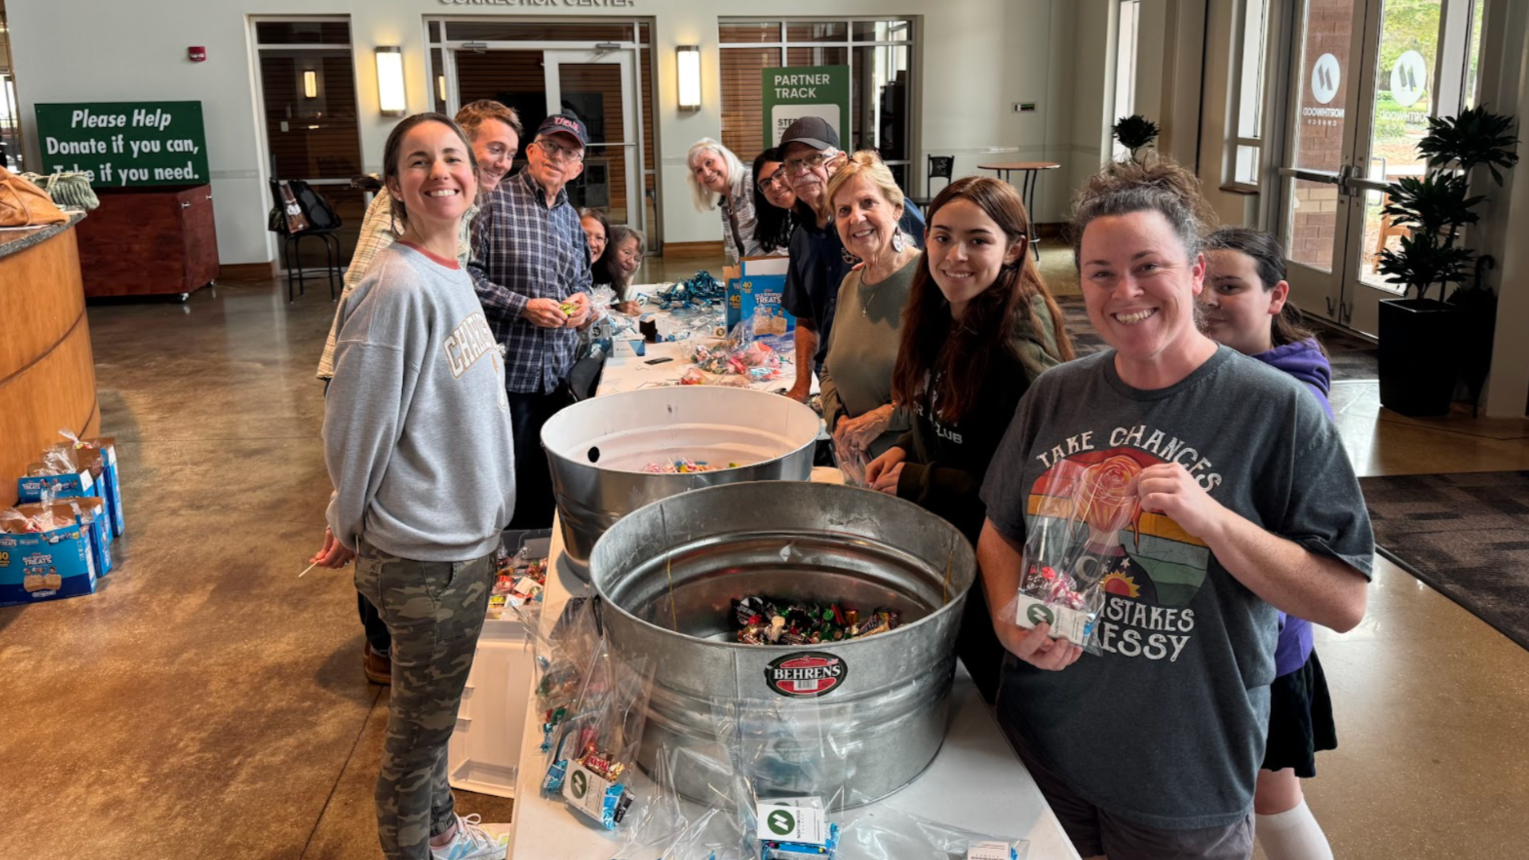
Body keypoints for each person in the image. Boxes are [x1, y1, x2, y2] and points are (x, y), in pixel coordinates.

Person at [976, 158, 1374, 860]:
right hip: (1040, 741)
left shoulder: (1274, 411)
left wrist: (1213, 520)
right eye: (1099, 272)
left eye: (1147, 266)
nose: (1123, 291)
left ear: (1194, 274)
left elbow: (1343, 600)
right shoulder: (1056, 394)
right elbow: (999, 532)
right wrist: (1010, 621)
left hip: (1181, 768)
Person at [312, 112, 516, 860]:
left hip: (458, 546)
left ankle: (441, 833)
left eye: (452, 157)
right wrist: (347, 521)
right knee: (416, 739)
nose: (441, 172)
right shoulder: (395, 286)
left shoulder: (448, 270)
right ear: (395, 186)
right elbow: (353, 423)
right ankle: (416, 846)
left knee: (433, 723)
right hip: (424, 556)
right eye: (418, 161)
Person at [863, 176, 1073, 703]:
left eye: (978, 240)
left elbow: (1028, 497)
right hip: (954, 550)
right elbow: (947, 419)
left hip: (998, 579)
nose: (955, 255)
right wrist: (908, 446)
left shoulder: (1015, 354)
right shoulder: (944, 312)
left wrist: (917, 479)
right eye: (941, 236)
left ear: (1014, 249)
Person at [1201, 227, 1337, 860]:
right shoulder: (1209, 376)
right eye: (1201, 282)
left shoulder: (1292, 402)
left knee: (1272, 803)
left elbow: (1314, 556)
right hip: (1205, 636)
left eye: (1231, 286)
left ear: (1275, 296)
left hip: (1260, 648)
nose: (1210, 300)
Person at [469, 110, 594, 529]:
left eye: (569, 152)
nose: (558, 157)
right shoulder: (490, 201)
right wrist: (522, 306)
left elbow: (583, 278)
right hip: (508, 372)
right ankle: (510, 565)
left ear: (577, 168)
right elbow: (463, 277)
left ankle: (539, 567)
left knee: (549, 480)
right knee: (508, 483)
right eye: (552, 147)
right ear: (532, 151)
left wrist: (584, 302)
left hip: (558, 373)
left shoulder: (570, 219)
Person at [777, 116, 925, 403]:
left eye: (813, 158)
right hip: (837, 383)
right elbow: (806, 317)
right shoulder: (801, 238)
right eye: (792, 164)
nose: (802, 170)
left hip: (897, 388)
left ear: (839, 160)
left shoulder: (886, 215)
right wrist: (802, 385)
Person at [817, 151, 922, 462]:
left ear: (897, 208)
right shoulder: (851, 283)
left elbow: (955, 393)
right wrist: (840, 421)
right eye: (844, 210)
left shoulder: (931, 283)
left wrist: (884, 419)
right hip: (858, 465)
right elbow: (827, 370)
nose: (856, 218)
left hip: (915, 470)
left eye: (868, 203)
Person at [687, 137, 761, 262]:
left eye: (709, 162)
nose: (706, 173)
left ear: (726, 159)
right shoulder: (725, 202)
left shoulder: (751, 182)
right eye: (699, 170)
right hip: (755, 276)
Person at [750, 147, 795, 254]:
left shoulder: (821, 217)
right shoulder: (781, 221)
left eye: (779, 174)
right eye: (766, 183)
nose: (774, 186)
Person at [592, 224, 645, 314]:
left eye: (636, 258)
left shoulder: (615, 279)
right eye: (627, 252)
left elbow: (611, 303)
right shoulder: (588, 273)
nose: (631, 261)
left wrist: (620, 307)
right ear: (608, 248)